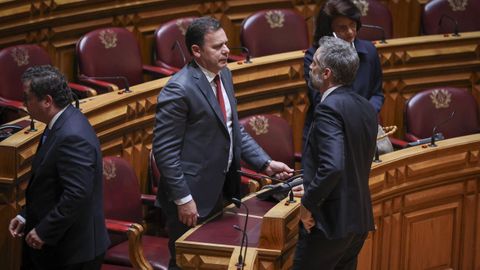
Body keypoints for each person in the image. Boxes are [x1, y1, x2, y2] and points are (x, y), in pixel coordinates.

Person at [152, 16, 293, 269]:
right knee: (186, 262)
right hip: (191, 196)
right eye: (217, 47)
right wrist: (183, 199)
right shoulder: (179, 90)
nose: (227, 50)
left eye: (226, 44)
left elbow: (232, 129)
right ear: (196, 51)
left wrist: (265, 163)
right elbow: (165, 152)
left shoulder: (223, 75)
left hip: (220, 189)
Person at [8, 65, 110, 270]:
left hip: (72, 252)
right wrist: (27, 215)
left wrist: (45, 230)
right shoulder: (62, 122)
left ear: (47, 101)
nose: (23, 103)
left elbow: (77, 194)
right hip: (62, 245)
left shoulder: (71, 135)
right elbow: (49, 184)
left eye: (27, 98)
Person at [293, 37, 378, 270]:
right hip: (357, 221)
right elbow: (352, 163)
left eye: (315, 62)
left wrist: (308, 203)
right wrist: (311, 183)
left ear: (327, 73)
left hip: (329, 223)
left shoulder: (328, 109)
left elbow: (333, 166)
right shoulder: (366, 107)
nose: (310, 65)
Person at [303, 0, 384, 143]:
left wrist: (364, 115)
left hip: (363, 128)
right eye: (342, 28)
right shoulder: (315, 56)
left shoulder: (369, 51)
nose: (351, 32)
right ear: (329, 31)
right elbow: (319, 99)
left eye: (353, 25)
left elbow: (377, 93)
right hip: (331, 130)